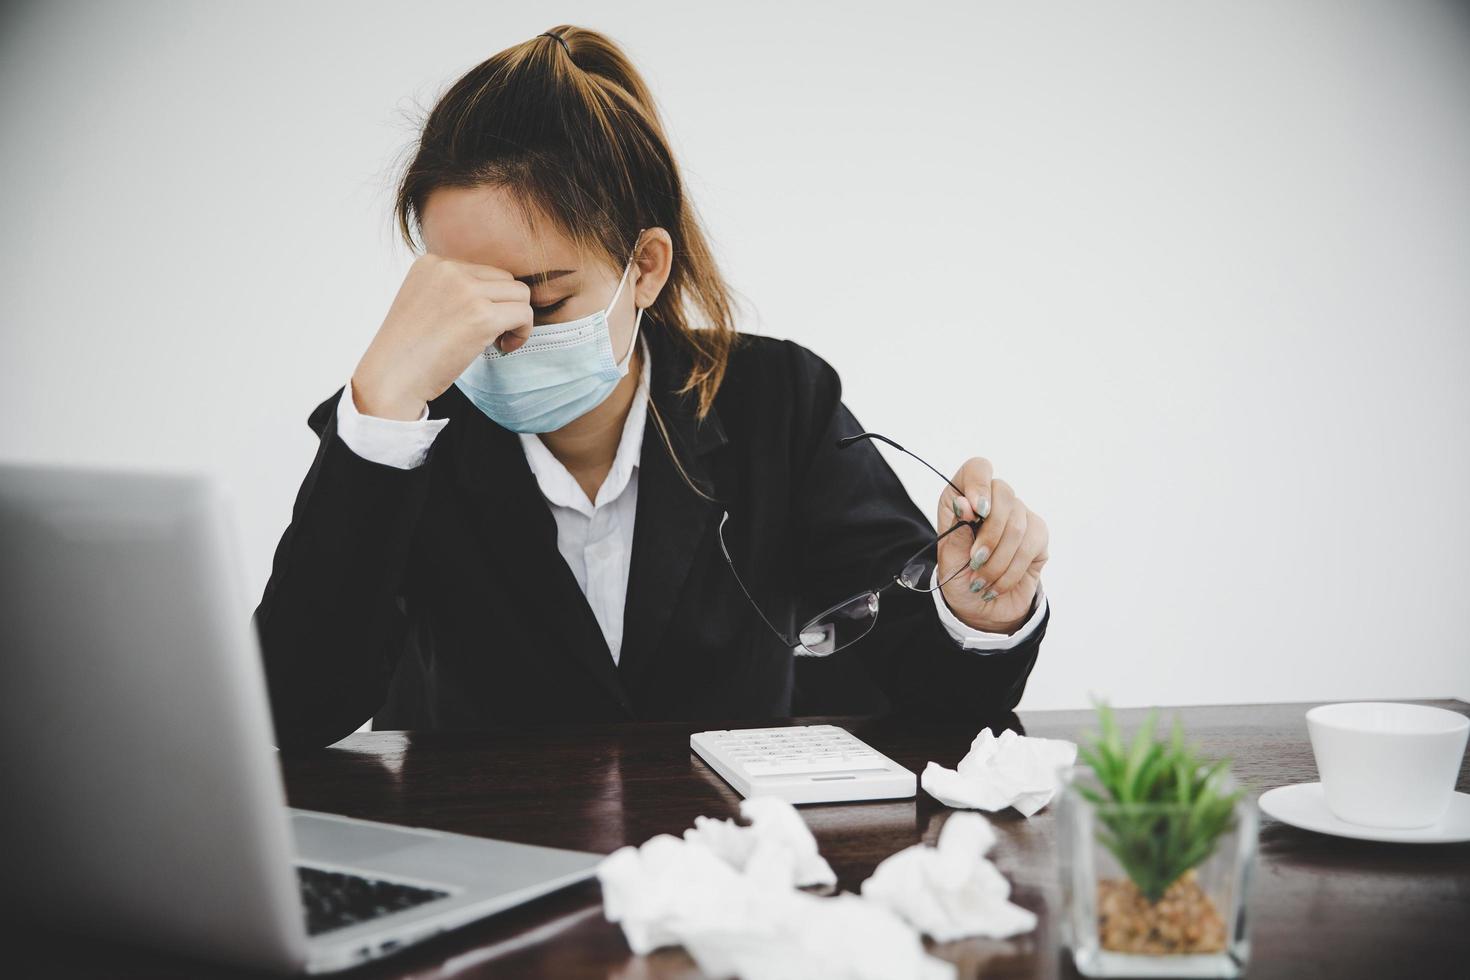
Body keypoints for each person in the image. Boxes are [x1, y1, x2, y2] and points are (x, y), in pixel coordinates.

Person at [255, 25, 1051, 751]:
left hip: (732, 868)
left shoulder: (779, 400)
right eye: (464, 296)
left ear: (644, 267)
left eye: (541, 297)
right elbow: (288, 713)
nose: (503, 336)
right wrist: (379, 410)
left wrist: (980, 615)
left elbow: (939, 695)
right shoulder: (399, 439)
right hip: (497, 863)